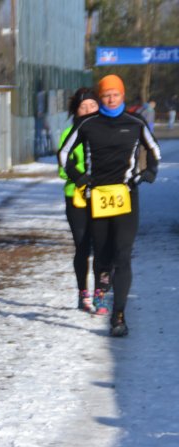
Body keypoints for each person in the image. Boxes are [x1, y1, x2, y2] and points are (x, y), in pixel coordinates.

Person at [58, 75, 160, 337]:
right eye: (106, 95)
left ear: (122, 96)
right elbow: (63, 154)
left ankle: (119, 316)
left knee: (123, 255)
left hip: (126, 196)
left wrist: (149, 172)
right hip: (98, 197)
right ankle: (99, 288)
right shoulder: (87, 124)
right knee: (103, 255)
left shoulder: (135, 122)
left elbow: (154, 150)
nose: (111, 99)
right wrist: (79, 177)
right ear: (100, 97)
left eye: (115, 94)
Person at [58, 88, 109, 314]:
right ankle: (82, 292)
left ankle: (100, 294)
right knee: (82, 246)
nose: (88, 110)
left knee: (103, 246)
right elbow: (62, 169)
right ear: (75, 111)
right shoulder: (68, 133)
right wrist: (82, 176)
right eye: (83, 107)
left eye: (93, 105)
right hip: (76, 197)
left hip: (102, 196)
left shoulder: (107, 130)